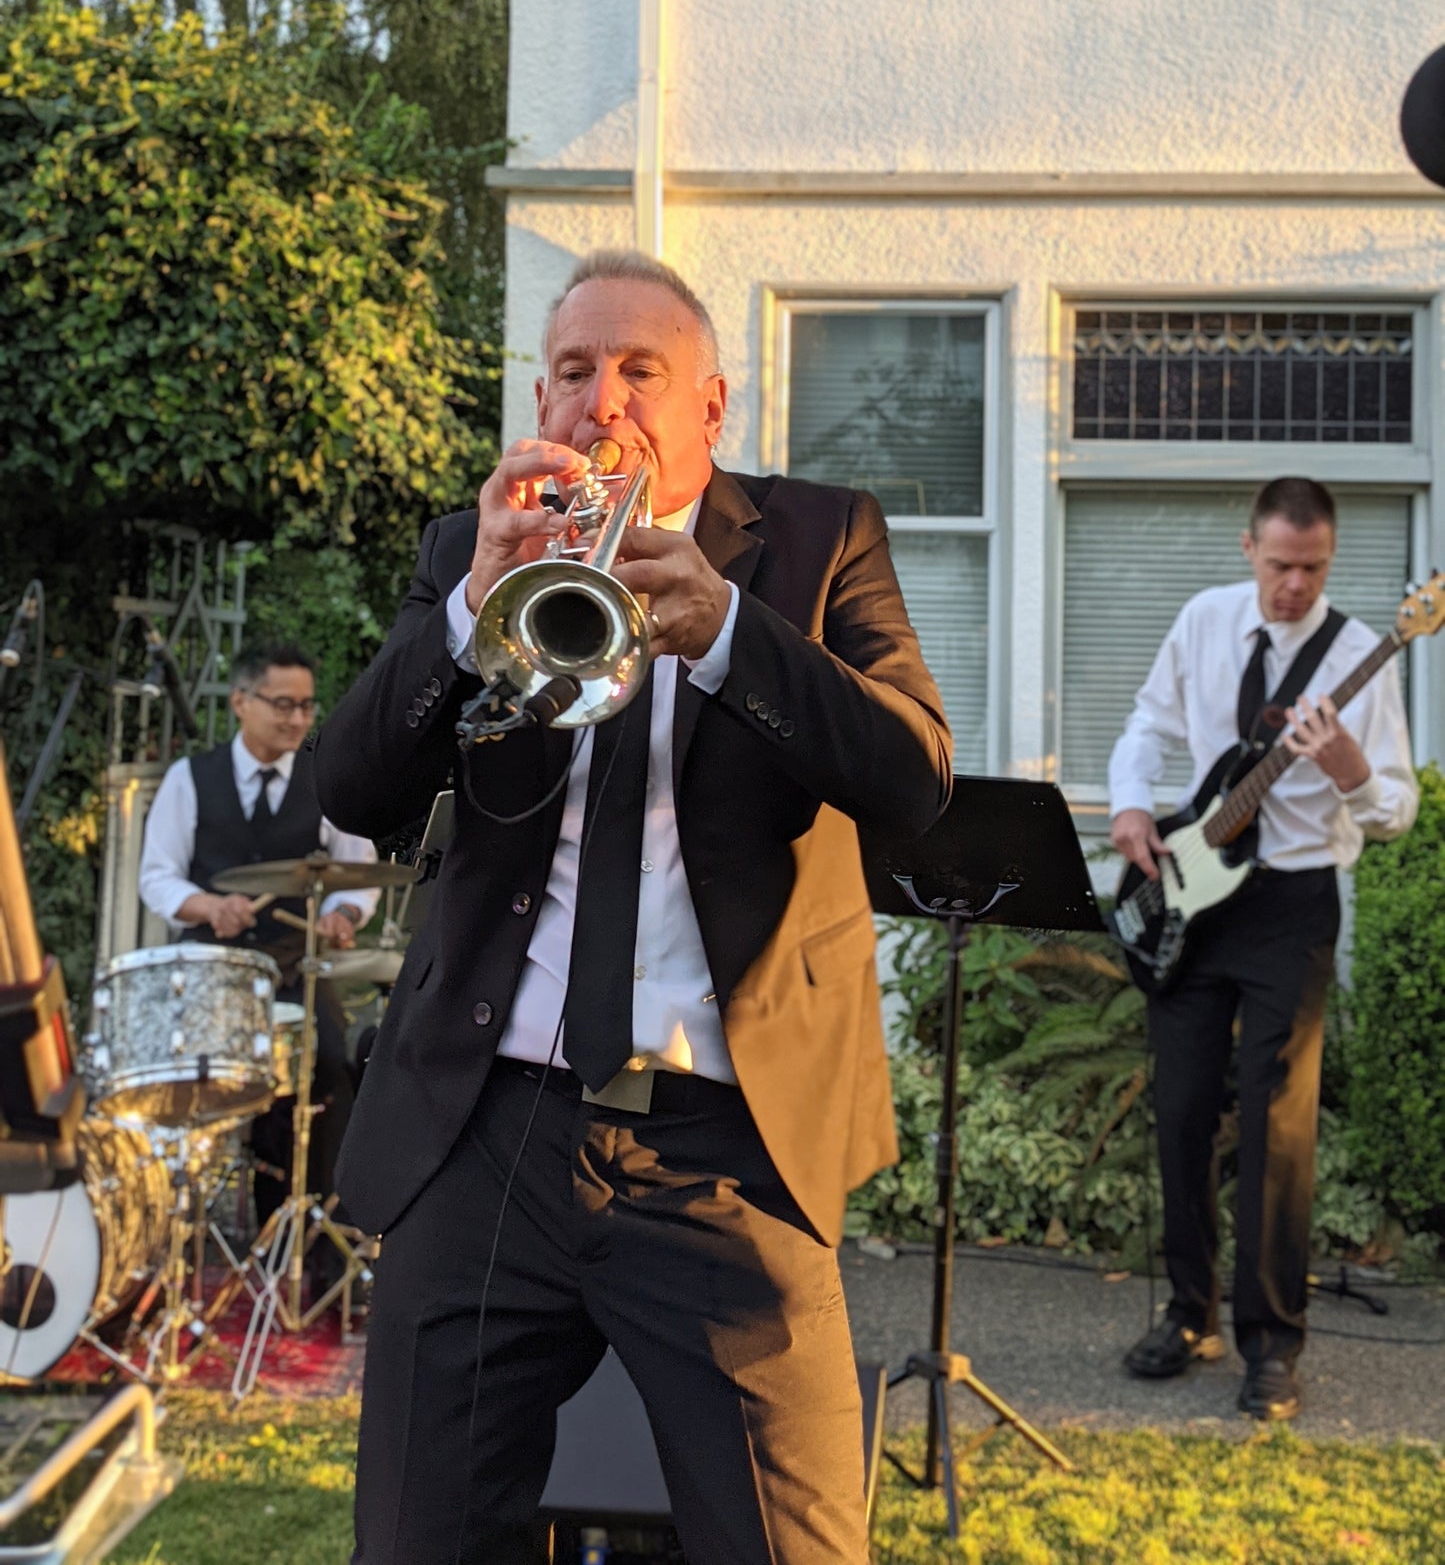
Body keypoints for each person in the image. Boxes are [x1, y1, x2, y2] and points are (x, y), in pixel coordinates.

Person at [314, 248, 952, 1565]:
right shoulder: (464, 548)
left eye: (638, 372)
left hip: (722, 1146)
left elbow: (911, 775)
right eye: (572, 369)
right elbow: (354, 788)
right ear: (538, 397)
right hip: (484, 1124)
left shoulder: (819, 541)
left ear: (709, 408)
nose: (603, 401)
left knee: (792, 1542)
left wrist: (723, 628)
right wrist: (467, 608)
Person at [1109, 478, 1417, 1421]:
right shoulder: (1204, 620)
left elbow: (1395, 809)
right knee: (1182, 1112)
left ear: (1330, 560)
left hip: (1291, 903)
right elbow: (1148, 727)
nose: (1293, 584)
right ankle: (1187, 1310)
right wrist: (1129, 802)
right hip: (1195, 895)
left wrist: (1350, 770)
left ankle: (1271, 1345)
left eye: (1313, 567)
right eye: (1280, 564)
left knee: (1279, 1127)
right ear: (1248, 548)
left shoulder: (1364, 652)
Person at [139, 641, 379, 1225]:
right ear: (240, 702)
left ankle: (304, 1233)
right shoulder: (188, 779)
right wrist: (205, 907)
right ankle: (181, 1231)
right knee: (187, 1092)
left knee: (325, 1076)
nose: (298, 719)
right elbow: (157, 876)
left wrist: (342, 917)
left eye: (306, 706)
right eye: (282, 704)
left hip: (295, 969)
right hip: (209, 968)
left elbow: (362, 875)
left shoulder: (325, 781)